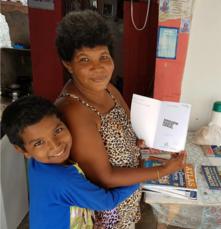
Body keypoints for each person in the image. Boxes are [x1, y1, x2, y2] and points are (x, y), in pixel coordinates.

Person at [55, 10, 186, 229]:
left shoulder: (109, 90)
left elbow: (126, 130)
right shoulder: (74, 109)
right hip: (107, 213)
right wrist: (162, 171)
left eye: (104, 57)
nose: (98, 68)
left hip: (127, 197)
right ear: (68, 64)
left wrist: (138, 143)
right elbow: (104, 177)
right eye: (85, 59)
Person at [1, 96, 140, 229]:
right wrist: (139, 179)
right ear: (23, 150)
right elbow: (107, 202)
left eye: (58, 130)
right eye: (39, 143)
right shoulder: (63, 180)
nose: (55, 146)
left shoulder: (37, 162)